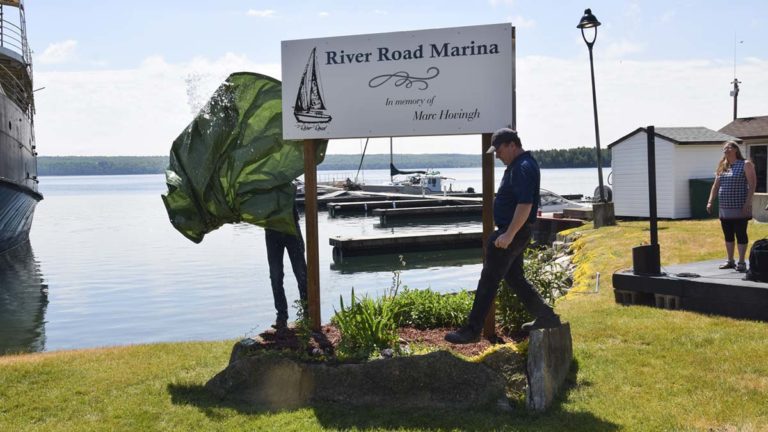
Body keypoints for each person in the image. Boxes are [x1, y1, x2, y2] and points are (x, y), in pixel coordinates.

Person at [445, 128, 560, 344]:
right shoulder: (520, 165)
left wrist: (508, 234)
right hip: (515, 231)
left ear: (511, 145)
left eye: (498, 150)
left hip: (512, 232)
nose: (497, 155)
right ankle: (546, 316)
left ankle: (472, 330)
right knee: (515, 278)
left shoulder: (523, 168)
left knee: (488, 279)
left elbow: (525, 205)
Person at [707, 140, 756, 272]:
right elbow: (716, 186)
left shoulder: (745, 164)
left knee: (741, 234)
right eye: (724, 148)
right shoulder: (723, 165)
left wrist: (748, 202)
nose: (726, 149)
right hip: (724, 208)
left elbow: (752, 184)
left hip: (740, 207)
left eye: (729, 147)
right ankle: (730, 260)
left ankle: (741, 262)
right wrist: (710, 201)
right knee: (728, 235)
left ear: (735, 149)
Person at [265, 201, 308, 330]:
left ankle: (307, 314)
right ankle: (281, 317)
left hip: (292, 227)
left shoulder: (288, 183)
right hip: (272, 229)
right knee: (275, 276)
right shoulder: (262, 184)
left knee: (302, 274)